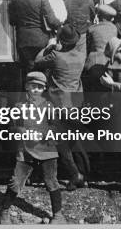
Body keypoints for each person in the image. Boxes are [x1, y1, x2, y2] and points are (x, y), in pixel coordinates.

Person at [0, 72, 66, 224]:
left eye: (40, 87)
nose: (36, 89)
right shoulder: (19, 107)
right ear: (26, 87)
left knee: (51, 181)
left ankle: (58, 216)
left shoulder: (49, 106)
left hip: (47, 150)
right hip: (25, 151)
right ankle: (4, 211)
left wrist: (42, 134)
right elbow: (11, 128)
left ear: (43, 89)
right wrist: (23, 131)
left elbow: (56, 127)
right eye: (33, 86)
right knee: (16, 182)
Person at [33, 24, 88, 189]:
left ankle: (76, 175)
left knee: (61, 144)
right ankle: (83, 176)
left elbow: (37, 61)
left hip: (59, 106)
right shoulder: (81, 55)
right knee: (74, 141)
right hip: (76, 105)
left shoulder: (56, 55)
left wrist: (49, 46)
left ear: (61, 40)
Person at [9, 0, 62, 71]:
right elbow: (51, 20)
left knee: (27, 70)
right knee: (42, 69)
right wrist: (59, 25)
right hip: (41, 39)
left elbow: (12, 21)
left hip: (22, 40)